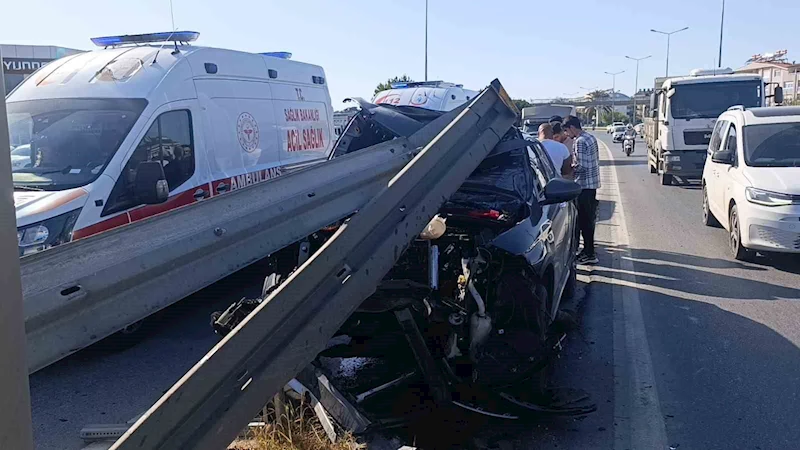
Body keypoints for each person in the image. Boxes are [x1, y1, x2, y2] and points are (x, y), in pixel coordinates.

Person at [564, 116, 600, 265]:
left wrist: (568, 170)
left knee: (584, 222)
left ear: (572, 127)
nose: (567, 134)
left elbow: (582, 166)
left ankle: (590, 253)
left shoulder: (579, 141)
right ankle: (587, 251)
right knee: (588, 221)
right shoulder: (590, 137)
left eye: (566, 131)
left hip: (584, 186)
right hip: (591, 185)